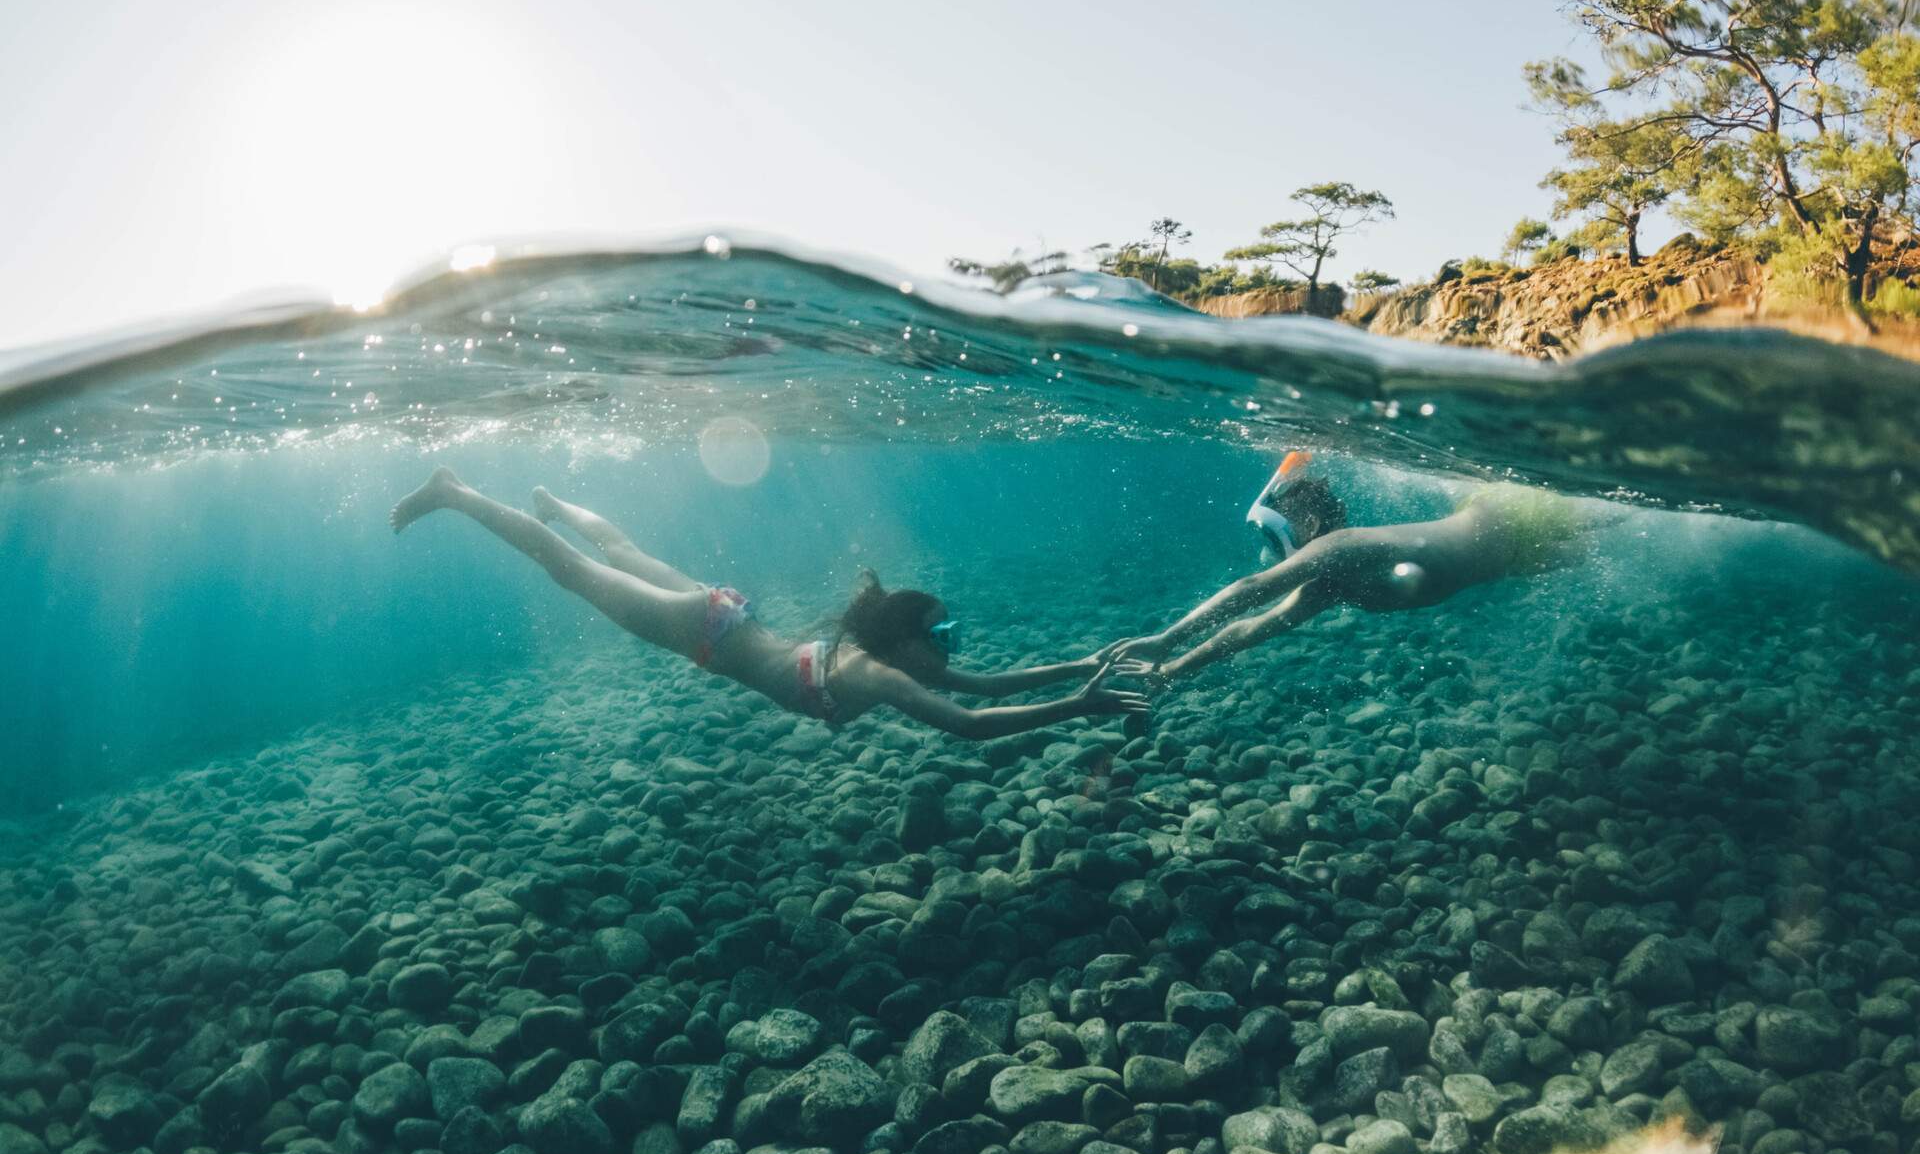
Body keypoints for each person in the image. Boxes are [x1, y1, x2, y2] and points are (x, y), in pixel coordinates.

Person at [390, 467, 1148, 738]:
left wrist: (1086, 664)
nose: (950, 645)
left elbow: (985, 689)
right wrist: (1079, 706)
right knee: (573, 573)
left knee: (616, 553)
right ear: (904, 641)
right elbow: (977, 724)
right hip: (710, 631)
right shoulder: (882, 676)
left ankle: (555, 500)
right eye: (940, 632)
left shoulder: (890, 662)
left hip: (725, 617)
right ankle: (455, 492)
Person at [1114, 452, 1595, 682]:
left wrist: (1164, 640)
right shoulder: (1331, 582)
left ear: (1315, 522)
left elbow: (1253, 588)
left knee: (1604, 515)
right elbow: (1254, 628)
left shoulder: (1342, 547)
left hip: (1508, 517)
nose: (1274, 546)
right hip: (1516, 557)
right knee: (1597, 530)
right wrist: (1175, 668)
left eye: (1283, 528)